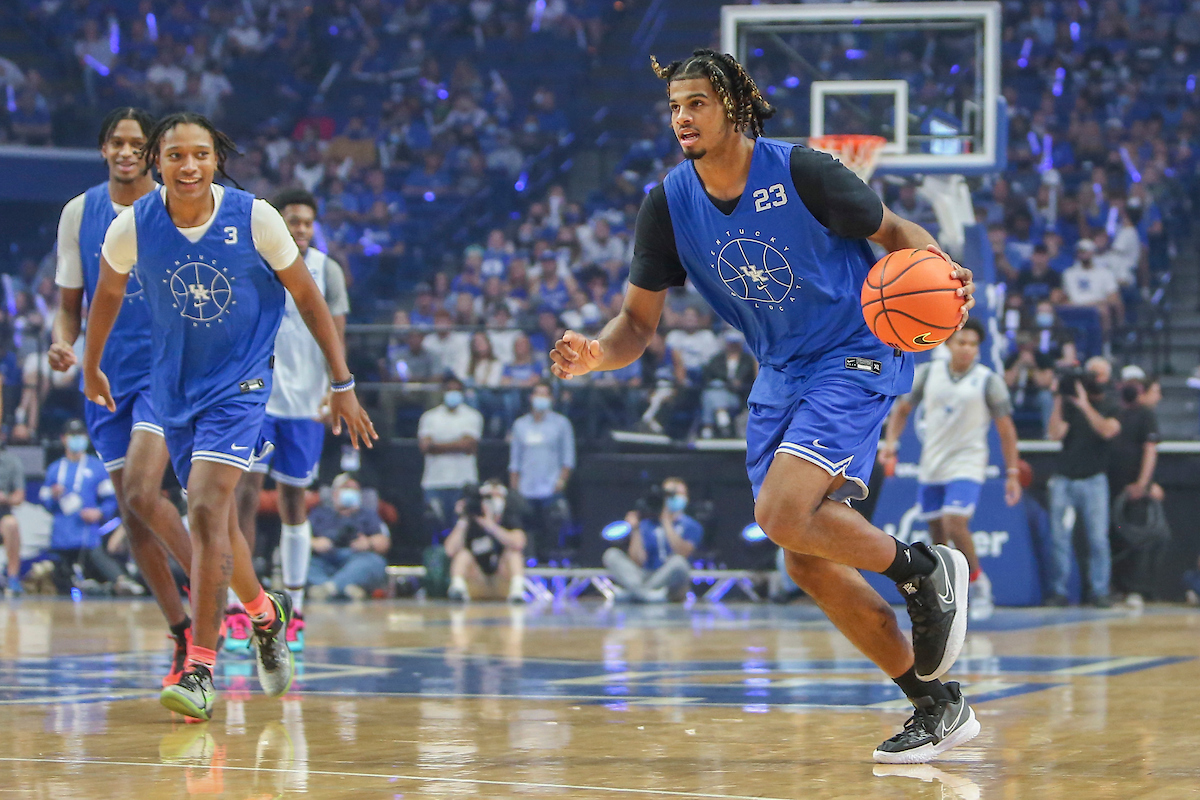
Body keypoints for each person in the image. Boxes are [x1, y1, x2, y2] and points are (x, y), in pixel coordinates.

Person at [550, 49, 979, 763]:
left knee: (780, 513)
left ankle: (921, 569)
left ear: (732, 107)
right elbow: (636, 326)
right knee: (805, 560)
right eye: (675, 107)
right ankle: (937, 704)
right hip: (779, 373)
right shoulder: (669, 203)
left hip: (855, 349)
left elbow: (900, 235)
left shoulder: (805, 170)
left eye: (696, 103)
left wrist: (942, 277)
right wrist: (597, 351)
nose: (683, 117)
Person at [83, 112, 376, 721]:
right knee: (217, 527)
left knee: (208, 509)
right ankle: (266, 615)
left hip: (241, 388)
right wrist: (91, 365)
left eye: (200, 155)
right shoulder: (133, 226)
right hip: (174, 387)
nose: (188, 166)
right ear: (157, 163)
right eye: (174, 156)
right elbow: (107, 294)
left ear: (216, 159)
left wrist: (342, 381)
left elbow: (309, 297)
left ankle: (200, 670)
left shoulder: (256, 217)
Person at [49, 107, 195, 685]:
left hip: (165, 372)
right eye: (118, 141)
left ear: (153, 153)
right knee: (134, 518)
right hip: (103, 378)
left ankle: (221, 592)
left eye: (138, 143)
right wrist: (64, 346)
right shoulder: (78, 213)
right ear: (103, 149)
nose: (128, 150)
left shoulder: (177, 208)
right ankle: (182, 631)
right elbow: (68, 309)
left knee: (140, 489)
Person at [234, 188, 350, 655]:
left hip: (305, 402)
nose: (300, 228)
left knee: (293, 501)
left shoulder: (328, 271)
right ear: (278, 223)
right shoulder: (256, 261)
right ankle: (240, 609)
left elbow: (336, 336)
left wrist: (335, 389)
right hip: (257, 399)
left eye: (307, 222)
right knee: (242, 496)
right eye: (293, 221)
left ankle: (295, 609)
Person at [881, 319, 1023, 621]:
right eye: (962, 342)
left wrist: (1012, 473)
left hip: (968, 462)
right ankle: (947, 592)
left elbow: (1006, 429)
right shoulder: (929, 373)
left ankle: (979, 584)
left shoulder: (988, 380)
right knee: (937, 534)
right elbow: (902, 409)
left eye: (973, 344)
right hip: (933, 462)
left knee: (955, 521)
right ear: (948, 344)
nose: (968, 349)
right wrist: (891, 443)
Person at [1045, 356, 1121, 607]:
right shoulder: (1067, 405)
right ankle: (1060, 591)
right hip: (1065, 478)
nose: (1093, 379)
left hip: (1094, 479)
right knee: (1060, 538)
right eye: (1090, 373)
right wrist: (1059, 398)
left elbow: (1107, 431)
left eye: (1098, 374)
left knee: (1098, 539)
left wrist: (1085, 404)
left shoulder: (1111, 403)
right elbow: (1054, 434)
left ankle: (1099, 591)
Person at [38, 420, 136, 596]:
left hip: (88, 533)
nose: (76, 439)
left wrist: (99, 512)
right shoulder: (54, 469)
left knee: (98, 559)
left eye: (80, 435)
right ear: (63, 439)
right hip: (61, 535)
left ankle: (122, 582)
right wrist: (53, 496)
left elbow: (111, 500)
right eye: (72, 435)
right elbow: (45, 500)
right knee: (60, 579)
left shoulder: (97, 468)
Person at [1106, 368, 1164, 603]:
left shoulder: (1145, 414)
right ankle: (1114, 586)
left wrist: (1142, 483)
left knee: (1136, 537)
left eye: (1136, 384)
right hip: (1109, 484)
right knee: (1113, 536)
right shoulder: (1113, 411)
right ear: (1120, 385)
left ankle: (1135, 589)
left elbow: (1150, 449)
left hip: (1133, 488)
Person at [602, 477, 703, 602]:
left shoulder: (692, 526)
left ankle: (635, 593)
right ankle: (646, 594)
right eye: (668, 494)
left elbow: (683, 553)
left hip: (670, 580)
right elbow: (637, 561)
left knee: (679, 562)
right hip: (645, 574)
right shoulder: (647, 524)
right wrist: (636, 529)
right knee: (611, 555)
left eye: (676, 494)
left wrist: (666, 521)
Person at [508, 382, 575, 559]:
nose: (540, 398)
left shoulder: (561, 424)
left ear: (551, 399)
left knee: (552, 532)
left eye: (544, 394)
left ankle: (551, 563)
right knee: (527, 534)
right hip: (526, 489)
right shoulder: (520, 425)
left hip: (550, 488)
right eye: (537, 394)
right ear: (531, 398)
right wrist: (515, 490)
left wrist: (561, 481)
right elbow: (515, 461)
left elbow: (568, 458)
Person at [307, 474, 390, 601]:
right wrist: (315, 543)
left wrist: (368, 543)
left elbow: (384, 541)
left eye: (354, 489)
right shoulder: (319, 513)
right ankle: (345, 588)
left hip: (355, 558)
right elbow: (302, 538)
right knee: (304, 562)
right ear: (334, 493)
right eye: (345, 488)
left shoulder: (368, 515)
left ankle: (329, 588)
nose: (350, 492)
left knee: (375, 562)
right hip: (325, 559)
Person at [443, 480, 527, 603]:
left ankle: (518, 591)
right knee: (463, 554)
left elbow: (519, 543)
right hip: (477, 580)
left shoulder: (508, 518)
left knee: (513, 554)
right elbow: (449, 550)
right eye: (488, 496)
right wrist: (463, 520)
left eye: (497, 496)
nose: (493, 500)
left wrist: (491, 526)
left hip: (501, 580)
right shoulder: (471, 520)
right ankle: (457, 589)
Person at [419, 375, 484, 532]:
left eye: (456, 390)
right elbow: (425, 447)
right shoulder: (429, 417)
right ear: (443, 392)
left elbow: (469, 445)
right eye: (449, 390)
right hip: (434, 482)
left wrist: (437, 446)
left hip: (463, 482)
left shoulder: (472, 416)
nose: (452, 393)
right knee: (435, 529)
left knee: (461, 530)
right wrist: (457, 444)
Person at [699, 328, 756, 439]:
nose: (733, 346)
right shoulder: (717, 359)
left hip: (738, 396)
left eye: (736, 343)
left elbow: (751, 381)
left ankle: (709, 426)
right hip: (720, 390)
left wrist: (738, 385)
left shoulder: (747, 360)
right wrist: (727, 382)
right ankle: (722, 418)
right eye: (731, 343)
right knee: (714, 389)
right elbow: (708, 377)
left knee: (711, 394)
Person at [0, 434, 25, 597]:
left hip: (2, 512)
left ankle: (13, 577)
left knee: (12, 524)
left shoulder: (11, 462)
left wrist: (5, 498)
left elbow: (19, 497)